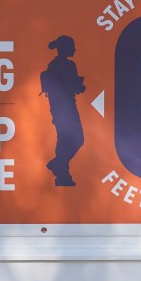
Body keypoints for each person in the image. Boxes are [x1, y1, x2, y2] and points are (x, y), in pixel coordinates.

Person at [41, 34, 86, 186]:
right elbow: (72, 85)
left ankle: (62, 172)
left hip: (57, 108)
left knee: (64, 140)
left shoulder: (53, 65)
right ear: (65, 48)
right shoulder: (68, 65)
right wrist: (80, 86)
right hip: (67, 108)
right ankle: (59, 166)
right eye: (71, 46)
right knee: (77, 139)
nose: (74, 49)